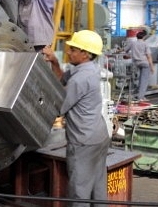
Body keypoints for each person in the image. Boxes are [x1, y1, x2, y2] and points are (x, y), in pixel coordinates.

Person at [42, 30, 110, 207]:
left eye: (73, 49)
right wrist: (54, 62)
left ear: (86, 54)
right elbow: (62, 80)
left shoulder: (80, 79)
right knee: (97, 186)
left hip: (83, 142)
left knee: (79, 192)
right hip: (99, 136)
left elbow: (59, 108)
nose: (69, 52)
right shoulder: (89, 69)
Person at [124, 30, 154, 102]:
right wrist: (152, 67)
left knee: (136, 79)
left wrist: (119, 52)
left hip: (136, 63)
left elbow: (125, 50)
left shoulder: (132, 43)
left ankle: (135, 94)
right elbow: (149, 56)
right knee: (144, 80)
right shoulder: (145, 44)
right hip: (144, 63)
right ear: (144, 37)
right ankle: (141, 97)